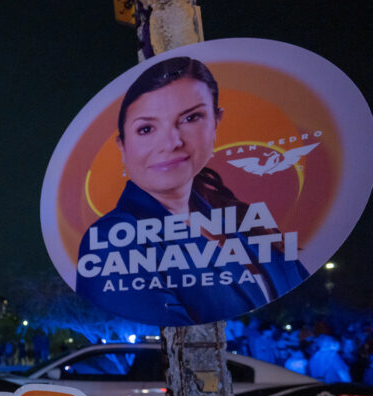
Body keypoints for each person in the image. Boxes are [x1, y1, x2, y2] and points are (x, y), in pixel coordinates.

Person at [76, 56, 309, 325]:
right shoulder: (112, 240)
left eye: (190, 117)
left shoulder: (244, 220)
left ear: (216, 123)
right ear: (122, 146)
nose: (171, 142)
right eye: (146, 128)